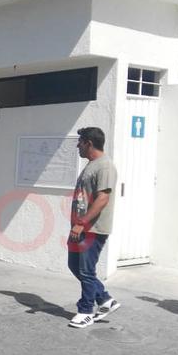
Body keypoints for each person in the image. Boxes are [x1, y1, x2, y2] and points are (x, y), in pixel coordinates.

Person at [67, 127, 120, 329]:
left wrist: (81, 224)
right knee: (74, 265)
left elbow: (103, 198)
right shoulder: (92, 165)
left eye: (80, 141)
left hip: (92, 228)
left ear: (89, 143)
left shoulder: (105, 166)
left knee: (86, 270)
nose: (77, 145)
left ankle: (86, 310)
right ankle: (105, 300)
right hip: (79, 228)